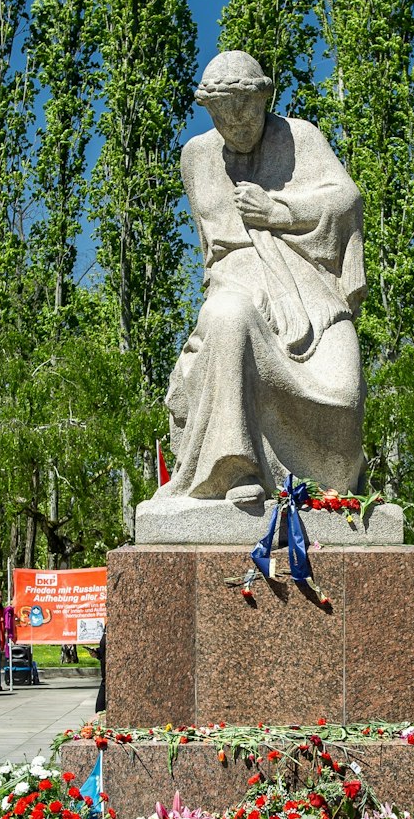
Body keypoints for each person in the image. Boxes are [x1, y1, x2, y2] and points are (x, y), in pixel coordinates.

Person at [151, 51, 367, 506]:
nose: (236, 123)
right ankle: (235, 467)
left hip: (308, 294)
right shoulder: (196, 157)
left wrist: (279, 212)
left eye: (246, 109)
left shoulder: (299, 138)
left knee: (344, 403)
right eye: (222, 115)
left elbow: (345, 197)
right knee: (228, 316)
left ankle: (316, 479)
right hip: (237, 292)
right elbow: (212, 254)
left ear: (265, 97)